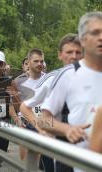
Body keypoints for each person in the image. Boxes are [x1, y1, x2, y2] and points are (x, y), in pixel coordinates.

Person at [40, 11, 102, 172]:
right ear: (83, 40)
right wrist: (67, 129)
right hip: (73, 164)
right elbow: (43, 120)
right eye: (95, 32)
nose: (101, 37)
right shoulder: (68, 75)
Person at [20, 33, 83, 172]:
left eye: (78, 52)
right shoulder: (52, 79)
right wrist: (41, 129)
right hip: (63, 151)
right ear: (60, 55)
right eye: (69, 52)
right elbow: (25, 107)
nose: (74, 56)